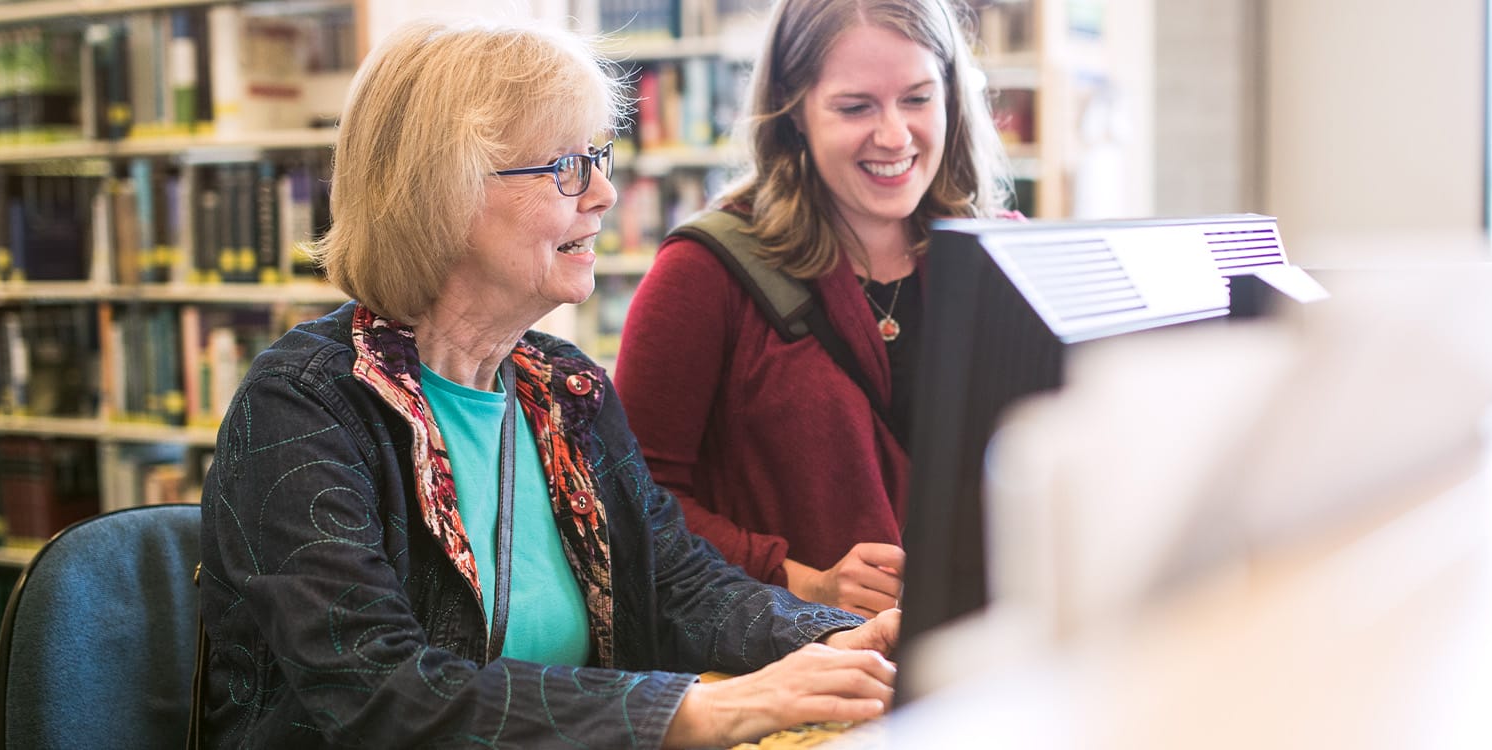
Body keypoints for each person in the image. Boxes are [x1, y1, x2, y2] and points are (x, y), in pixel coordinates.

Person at [197, 18, 901, 748]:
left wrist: (841, 637)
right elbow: (380, 691)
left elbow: (678, 585)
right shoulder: (303, 406)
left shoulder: (564, 387)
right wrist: (699, 711)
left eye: (598, 156)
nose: (603, 193)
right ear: (443, 191)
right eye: (566, 165)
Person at [614, 0, 1014, 617]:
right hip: (795, 667)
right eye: (856, 107)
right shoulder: (703, 272)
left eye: (917, 98)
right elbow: (633, 499)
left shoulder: (1007, 256)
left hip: (984, 656)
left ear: (952, 97)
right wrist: (801, 580)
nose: (894, 135)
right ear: (793, 111)